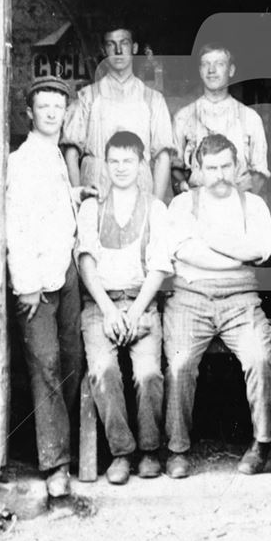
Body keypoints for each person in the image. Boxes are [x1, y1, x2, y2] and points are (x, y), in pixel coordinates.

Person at [163, 134, 271, 478]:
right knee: (180, 364)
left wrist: (208, 240)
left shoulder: (254, 205)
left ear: (237, 165)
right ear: (198, 169)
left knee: (259, 358)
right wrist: (235, 253)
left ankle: (261, 443)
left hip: (241, 300)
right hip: (190, 299)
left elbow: (259, 251)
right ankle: (177, 449)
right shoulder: (182, 205)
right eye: (211, 168)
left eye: (226, 166)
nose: (219, 175)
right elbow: (183, 251)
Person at [6, 76, 94, 498]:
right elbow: (17, 226)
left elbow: (52, 208)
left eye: (58, 107)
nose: (51, 113)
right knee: (46, 366)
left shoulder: (56, 156)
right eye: (43, 107)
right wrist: (25, 284)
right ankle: (55, 464)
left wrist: (75, 195)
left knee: (72, 358)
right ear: (30, 114)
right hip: (37, 281)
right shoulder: (22, 160)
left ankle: (61, 444)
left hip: (65, 273)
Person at [77, 131, 172, 485]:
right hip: (99, 306)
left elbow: (160, 266)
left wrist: (132, 313)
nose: (120, 168)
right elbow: (86, 262)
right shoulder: (92, 208)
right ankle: (121, 452)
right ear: (105, 164)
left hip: (141, 304)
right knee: (104, 371)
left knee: (148, 374)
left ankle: (149, 450)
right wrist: (109, 310)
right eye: (114, 161)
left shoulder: (156, 208)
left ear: (141, 164)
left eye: (128, 161)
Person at [62, 25, 175, 201]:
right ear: (103, 50)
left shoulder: (153, 99)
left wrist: (156, 207)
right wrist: (78, 199)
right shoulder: (88, 96)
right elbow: (71, 153)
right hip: (97, 187)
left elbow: (163, 157)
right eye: (111, 44)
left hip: (139, 189)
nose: (118, 50)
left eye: (124, 43)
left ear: (135, 48)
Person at [171, 43, 270, 195]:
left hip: (237, 207)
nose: (211, 70)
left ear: (231, 70)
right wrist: (184, 191)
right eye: (206, 64)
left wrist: (240, 203)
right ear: (200, 70)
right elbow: (175, 168)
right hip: (198, 207)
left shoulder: (250, 118)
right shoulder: (183, 117)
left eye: (219, 64)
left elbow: (259, 171)